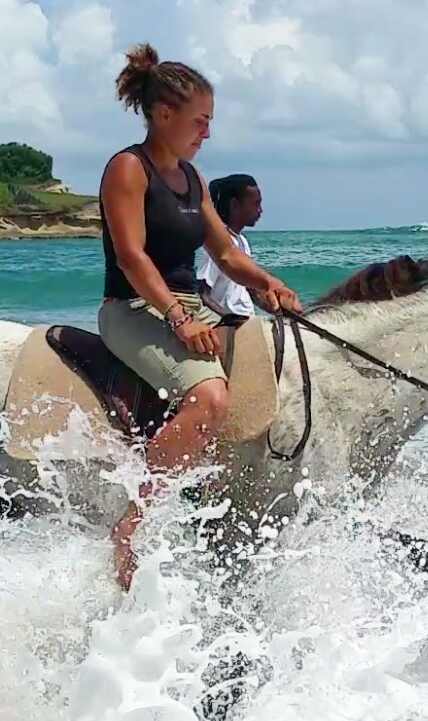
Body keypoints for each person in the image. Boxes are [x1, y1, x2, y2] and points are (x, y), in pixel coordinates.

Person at [96, 42, 302, 591]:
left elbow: (227, 255)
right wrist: (179, 320)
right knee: (210, 397)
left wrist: (269, 284)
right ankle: (131, 525)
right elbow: (131, 257)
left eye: (209, 121)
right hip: (135, 308)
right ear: (164, 115)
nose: (206, 132)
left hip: (187, 307)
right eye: (200, 120)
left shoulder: (192, 176)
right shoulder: (128, 169)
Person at [196, 173, 263, 324]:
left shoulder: (242, 242)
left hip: (248, 321)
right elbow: (202, 294)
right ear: (235, 205)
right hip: (231, 327)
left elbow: (246, 287)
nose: (260, 210)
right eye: (255, 204)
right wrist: (228, 317)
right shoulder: (216, 245)